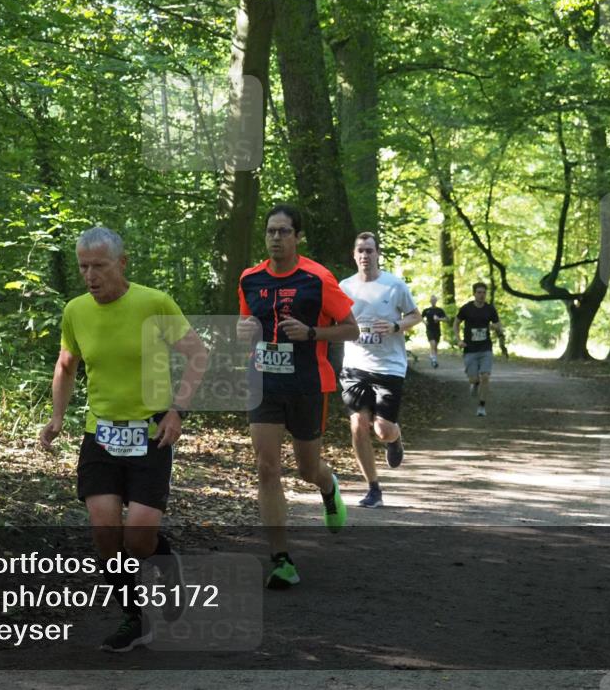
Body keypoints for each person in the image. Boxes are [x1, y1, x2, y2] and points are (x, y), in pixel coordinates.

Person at [39, 227, 208, 652]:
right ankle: (134, 618)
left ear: (122, 263)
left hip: (150, 433)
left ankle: (166, 563)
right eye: (83, 267)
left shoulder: (154, 303)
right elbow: (66, 364)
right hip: (100, 434)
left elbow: (197, 356)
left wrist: (177, 411)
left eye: (99, 266)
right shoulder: (76, 310)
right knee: (105, 533)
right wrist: (58, 417)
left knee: (138, 539)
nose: (90, 276)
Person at [237, 204, 358, 590]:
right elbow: (247, 325)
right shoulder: (250, 279)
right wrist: (245, 334)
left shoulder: (317, 278)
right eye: (271, 231)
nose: (276, 238)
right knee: (267, 467)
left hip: (308, 384)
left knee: (308, 469)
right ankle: (281, 559)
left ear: (298, 236)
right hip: (264, 384)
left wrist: (311, 333)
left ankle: (328, 487)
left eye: (284, 231)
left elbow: (351, 330)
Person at [339, 232, 422, 509]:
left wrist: (396, 326)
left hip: (389, 366)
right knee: (357, 425)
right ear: (354, 255)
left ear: (377, 254)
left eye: (369, 251)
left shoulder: (394, 286)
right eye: (360, 251)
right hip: (355, 366)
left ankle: (395, 439)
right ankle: (373, 488)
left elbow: (416, 315)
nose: (365, 256)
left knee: (382, 430)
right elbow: (334, 317)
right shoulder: (344, 287)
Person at [454, 282, 503, 417]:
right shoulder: (466, 308)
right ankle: (474, 384)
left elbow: (498, 324)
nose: (481, 295)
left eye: (484, 293)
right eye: (479, 292)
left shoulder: (490, 309)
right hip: (470, 349)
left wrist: (496, 327)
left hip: (485, 348)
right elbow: (456, 323)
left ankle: (481, 406)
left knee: (485, 376)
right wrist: (459, 340)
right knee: (474, 379)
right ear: (474, 293)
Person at [421, 295, 448, 368]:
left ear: (436, 301)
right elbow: (420, 318)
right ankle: (434, 360)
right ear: (430, 301)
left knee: (435, 345)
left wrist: (438, 319)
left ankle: (433, 357)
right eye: (432, 300)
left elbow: (446, 319)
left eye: (434, 300)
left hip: (437, 330)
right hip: (429, 329)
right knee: (432, 343)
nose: (433, 301)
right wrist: (424, 322)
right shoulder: (426, 310)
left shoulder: (439, 310)